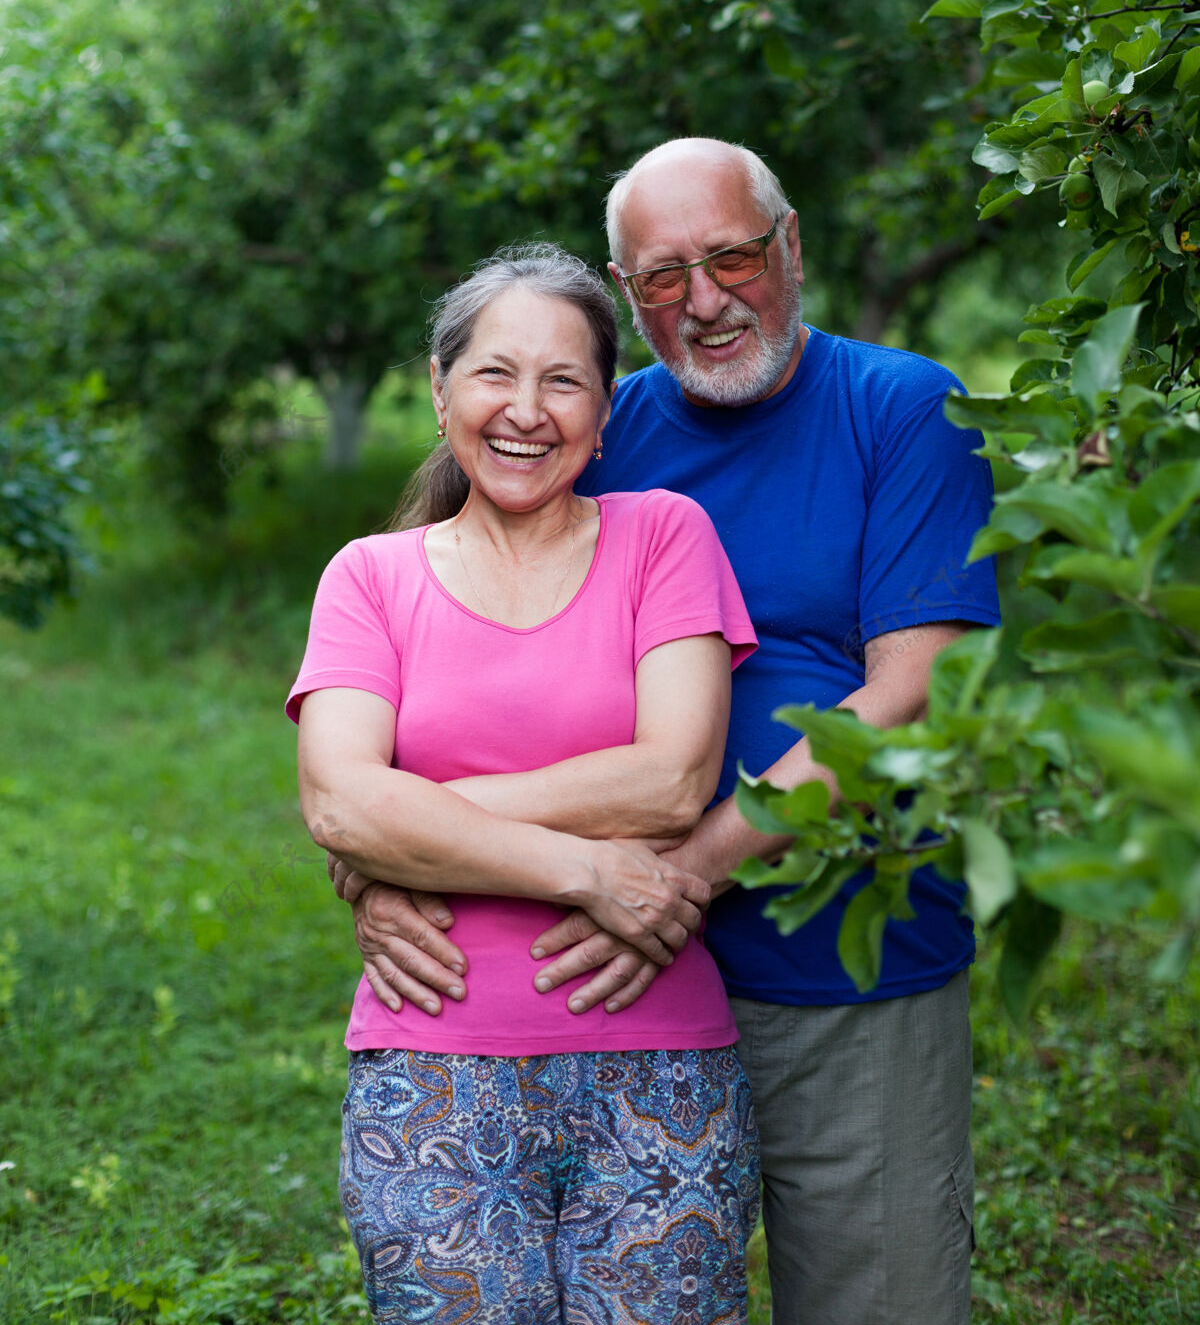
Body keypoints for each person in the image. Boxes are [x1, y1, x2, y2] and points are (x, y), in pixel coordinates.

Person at [339, 142, 1002, 1325]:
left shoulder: (898, 409)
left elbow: (914, 690)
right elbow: (428, 654)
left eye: (734, 257)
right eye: (660, 278)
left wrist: (680, 870)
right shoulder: (600, 419)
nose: (704, 301)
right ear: (623, 290)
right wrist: (374, 855)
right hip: (594, 978)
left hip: (836, 965)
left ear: (790, 247)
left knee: (873, 1296)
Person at [289, 244, 761, 1324]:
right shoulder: (370, 577)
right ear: (441, 387)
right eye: (496, 372)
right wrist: (588, 871)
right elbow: (340, 804)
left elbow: (672, 779)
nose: (526, 410)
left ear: (605, 415)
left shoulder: (664, 538)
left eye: (565, 382)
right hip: (430, 1071)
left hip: (661, 1069)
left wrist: (406, 820)